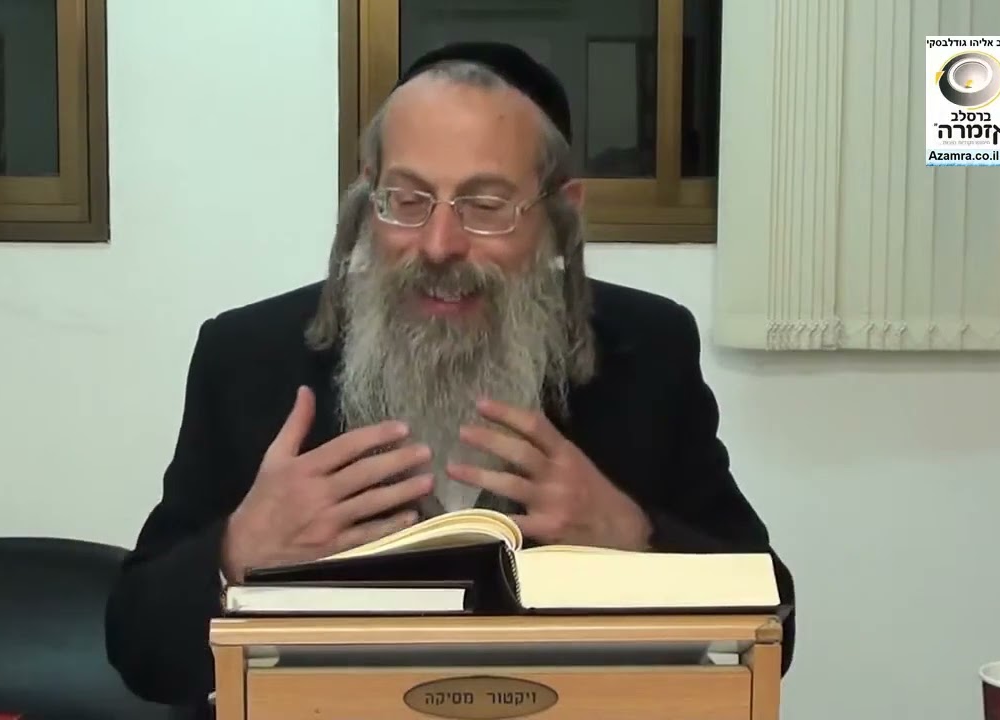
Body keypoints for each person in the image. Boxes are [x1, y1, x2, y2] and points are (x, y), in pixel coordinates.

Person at [104, 41, 796, 713]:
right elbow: (139, 649)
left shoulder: (646, 352)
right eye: (407, 200)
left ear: (561, 214)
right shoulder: (250, 356)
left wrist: (635, 536)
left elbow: (775, 627)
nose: (438, 245)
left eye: (486, 206)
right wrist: (236, 552)